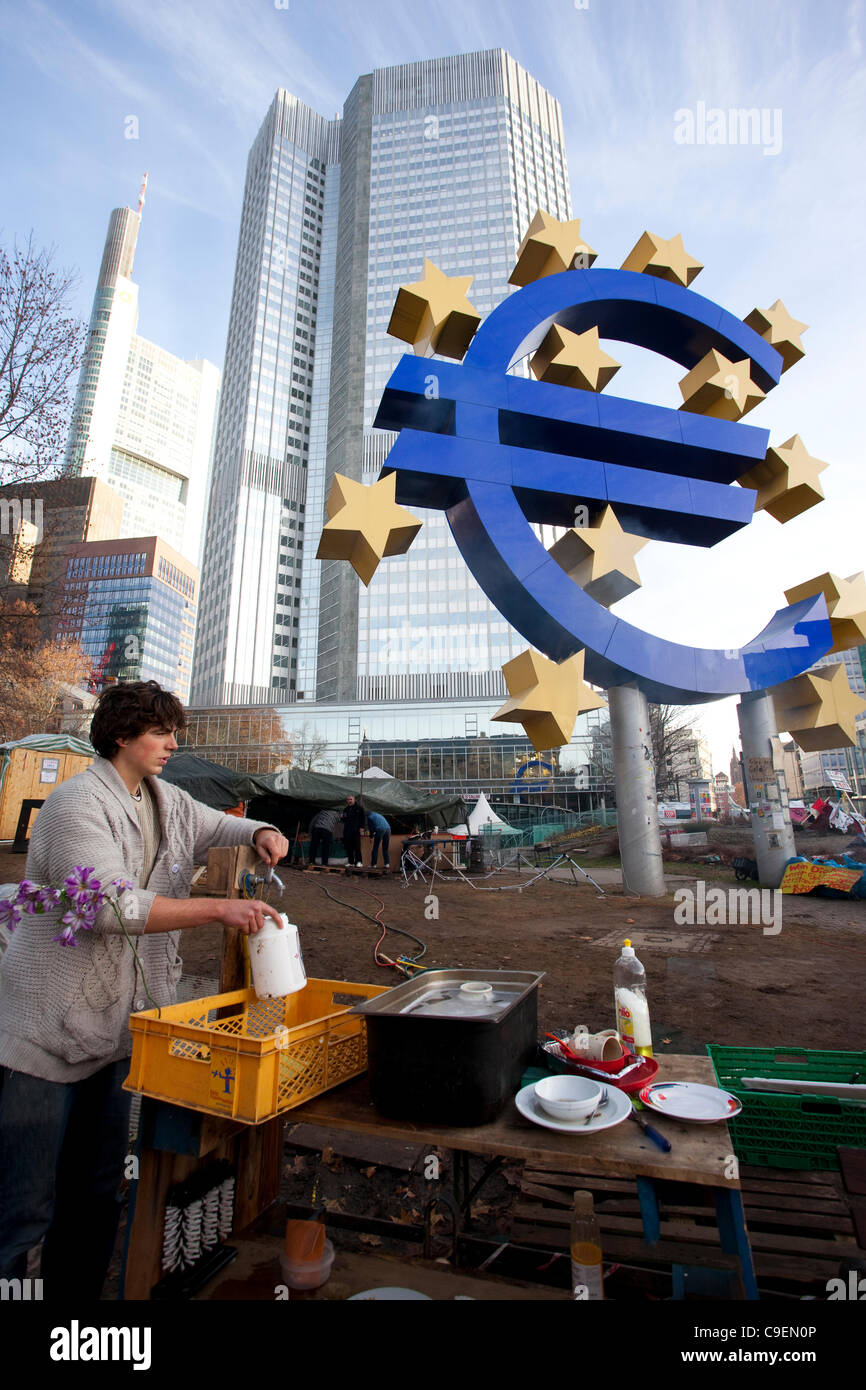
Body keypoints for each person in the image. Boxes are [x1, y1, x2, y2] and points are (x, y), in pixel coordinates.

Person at [0, 680, 288, 1298]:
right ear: (123, 735)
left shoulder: (165, 799)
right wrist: (216, 911)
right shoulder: (76, 806)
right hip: (44, 1038)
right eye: (160, 732)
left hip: (111, 1034)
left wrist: (262, 830)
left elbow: (221, 825)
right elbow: (111, 905)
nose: (172, 744)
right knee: (22, 1211)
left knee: (97, 1193)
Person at [341, 795, 366, 867]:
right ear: (347, 801)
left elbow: (363, 818)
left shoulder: (359, 808)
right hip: (347, 831)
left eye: (351, 799)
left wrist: (362, 827)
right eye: (348, 799)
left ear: (354, 800)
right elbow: (344, 820)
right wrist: (342, 817)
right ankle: (351, 862)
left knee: (357, 847)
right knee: (349, 847)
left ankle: (359, 862)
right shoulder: (346, 809)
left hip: (356, 830)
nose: (350, 801)